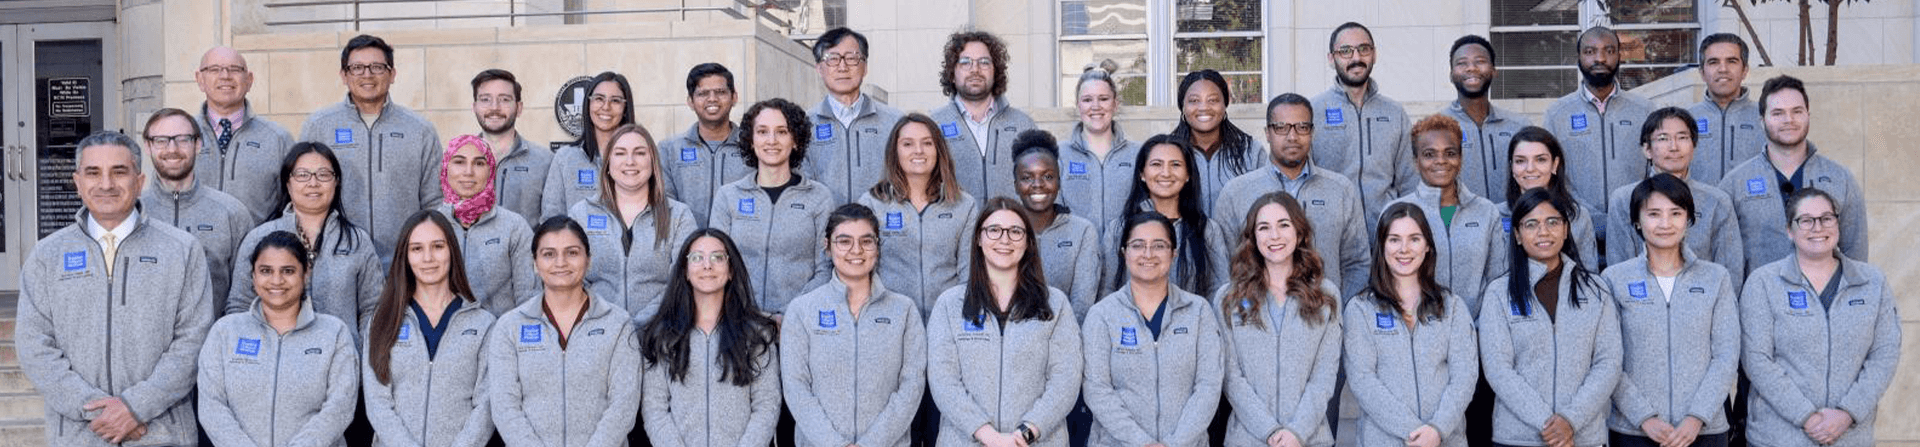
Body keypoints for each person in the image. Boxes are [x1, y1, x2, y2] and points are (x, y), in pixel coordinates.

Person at [17, 131, 214, 446]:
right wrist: (101, 414)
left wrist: (136, 408)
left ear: (139, 181)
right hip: (79, 437)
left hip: (161, 435)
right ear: (78, 182)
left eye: (119, 172)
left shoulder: (182, 250)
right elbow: (34, 346)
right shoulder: (46, 255)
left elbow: (193, 342)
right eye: (93, 173)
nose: (106, 184)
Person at [1738, 188, 1899, 447]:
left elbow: (1885, 354)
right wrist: (1807, 417)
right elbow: (1756, 360)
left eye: (1826, 218)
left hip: (1850, 437)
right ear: (1790, 230)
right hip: (1778, 437)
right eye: (1806, 220)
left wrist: (1847, 414)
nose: (1818, 227)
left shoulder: (1873, 283)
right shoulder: (1763, 283)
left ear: (1838, 223)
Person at [926, 199, 1081, 447]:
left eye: (1015, 231)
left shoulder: (1055, 304)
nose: (1004, 239)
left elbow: (1066, 378)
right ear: (978, 238)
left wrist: (1026, 433)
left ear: (1029, 242)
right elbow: (943, 380)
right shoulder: (949, 305)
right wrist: (989, 436)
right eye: (994, 230)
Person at [1600, 175, 1739, 447]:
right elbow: (1608, 359)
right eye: (1654, 214)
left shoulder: (1716, 278)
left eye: (1675, 213)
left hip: (1705, 431)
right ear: (1637, 221)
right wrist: (1644, 418)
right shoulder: (1614, 280)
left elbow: (1726, 355)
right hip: (1633, 431)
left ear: (1688, 220)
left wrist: (1696, 417)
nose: (1665, 224)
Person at [1478, 189, 1622, 447]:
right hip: (1518, 438)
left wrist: (1570, 420)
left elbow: (1608, 362)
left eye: (1552, 222)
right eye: (1531, 224)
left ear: (1566, 230)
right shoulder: (1499, 294)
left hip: (1583, 437)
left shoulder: (1597, 290)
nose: (1543, 232)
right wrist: (1548, 423)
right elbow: (1498, 369)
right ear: (1518, 236)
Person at [780, 203, 928, 447]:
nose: (856, 250)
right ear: (827, 247)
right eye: (844, 241)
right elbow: (796, 388)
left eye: (867, 241)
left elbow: (911, 387)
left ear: (878, 247)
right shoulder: (802, 310)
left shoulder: (904, 311)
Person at [490, 216, 644, 446]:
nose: (560, 262)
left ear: (588, 260)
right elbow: (505, 408)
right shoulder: (509, 327)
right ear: (534, 263)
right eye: (548, 254)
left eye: (572, 252)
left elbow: (624, 404)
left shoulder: (618, 324)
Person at [198, 231, 360, 447]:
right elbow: (212, 406)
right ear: (253, 276)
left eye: (288, 271)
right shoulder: (225, 332)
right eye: (266, 271)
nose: (276, 280)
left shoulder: (334, 333)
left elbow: (340, 406)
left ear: (306, 274)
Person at [1082, 212, 1225, 447]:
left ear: (1174, 253)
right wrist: (1142, 442)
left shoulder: (1198, 311)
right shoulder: (1102, 315)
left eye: (1159, 245)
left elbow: (1208, 386)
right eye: (1138, 245)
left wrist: (1175, 443)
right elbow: (1097, 389)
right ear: (1124, 252)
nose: (1148, 254)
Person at [1343, 202, 1480, 447]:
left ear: (1427, 246)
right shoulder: (1360, 309)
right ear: (1382, 246)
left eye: (1414, 239)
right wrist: (1414, 432)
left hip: (1445, 439)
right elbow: (1363, 380)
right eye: (1394, 239)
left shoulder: (1452, 306)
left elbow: (1464, 377)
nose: (1404, 249)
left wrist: (1437, 429)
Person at [297, 34, 444, 258]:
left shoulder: (420, 130)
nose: (367, 74)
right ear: (344, 75)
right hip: (335, 259)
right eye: (357, 67)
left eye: (377, 67)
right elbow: (300, 195)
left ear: (392, 74)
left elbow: (435, 201)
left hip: (404, 263)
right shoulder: (318, 127)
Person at [1214, 192, 1343, 447]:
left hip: (1310, 439)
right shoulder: (1229, 297)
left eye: (1284, 225)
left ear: (1300, 232)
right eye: (1264, 227)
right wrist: (1270, 431)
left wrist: (1296, 432)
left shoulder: (1325, 295)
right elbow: (1231, 375)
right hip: (1247, 439)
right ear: (1252, 237)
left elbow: (1324, 375)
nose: (1274, 236)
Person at [1211, 93, 1370, 298]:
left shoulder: (1340, 190)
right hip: (1257, 322)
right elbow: (1223, 268)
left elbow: (1357, 263)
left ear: (1312, 132)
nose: (1292, 136)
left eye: (1301, 127)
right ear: (1267, 133)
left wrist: (1338, 312)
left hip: (1325, 321)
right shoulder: (1236, 192)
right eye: (1281, 127)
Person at [228, 143, 385, 347]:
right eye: (302, 175)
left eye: (323, 175)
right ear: (287, 181)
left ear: (336, 181)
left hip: (341, 364)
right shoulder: (259, 238)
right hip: (272, 365)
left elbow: (374, 308)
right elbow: (239, 305)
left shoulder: (357, 241)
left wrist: (361, 358)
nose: (313, 183)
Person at [363, 212, 496, 447]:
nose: (428, 258)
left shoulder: (483, 324)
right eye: (416, 249)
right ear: (404, 256)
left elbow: (485, 406)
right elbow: (378, 403)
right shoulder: (383, 320)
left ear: (452, 251)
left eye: (437, 246)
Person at [640, 229, 784, 447]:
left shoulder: (756, 333)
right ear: (685, 271)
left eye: (717, 257)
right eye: (697, 258)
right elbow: (654, 408)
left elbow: (767, 405)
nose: (707, 265)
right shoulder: (663, 335)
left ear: (731, 270)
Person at [1717, 75, 1867, 276]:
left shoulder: (1840, 178)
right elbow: (1725, 260)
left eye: (1797, 111)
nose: (1789, 120)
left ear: (1808, 115)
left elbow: (1855, 253)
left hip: (1825, 303)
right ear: (1762, 121)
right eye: (1778, 113)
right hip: (1760, 303)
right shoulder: (1735, 183)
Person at [709, 98, 835, 321]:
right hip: (739, 322)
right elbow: (717, 262)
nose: (772, 140)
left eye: (782, 132)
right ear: (750, 140)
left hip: (800, 321)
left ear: (796, 140)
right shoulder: (728, 196)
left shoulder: (819, 197)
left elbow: (825, 268)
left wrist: (790, 315)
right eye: (762, 131)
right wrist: (748, 314)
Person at [568, 123, 698, 321]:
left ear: (653, 162)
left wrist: (641, 323)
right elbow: (572, 278)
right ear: (608, 164)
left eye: (639, 153)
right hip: (597, 329)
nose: (630, 161)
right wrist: (610, 322)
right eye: (620, 153)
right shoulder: (581, 214)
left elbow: (681, 281)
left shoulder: (679, 216)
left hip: (660, 331)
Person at [1543, 26, 1656, 252]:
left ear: (1619, 55)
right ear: (1579, 57)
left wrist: (1628, 212)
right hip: (1576, 230)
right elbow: (1552, 175)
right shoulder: (1557, 113)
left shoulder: (1645, 110)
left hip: (1634, 230)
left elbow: (1653, 168)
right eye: (1590, 51)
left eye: (1609, 50)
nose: (1600, 58)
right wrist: (1587, 216)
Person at [1603, 108, 1744, 287]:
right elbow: (1618, 266)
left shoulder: (1716, 201)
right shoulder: (1624, 199)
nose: (1674, 147)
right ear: (1647, 149)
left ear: (1694, 146)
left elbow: (1731, 271)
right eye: (1663, 139)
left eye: (1682, 137)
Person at [858, 114, 981, 315]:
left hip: (947, 319)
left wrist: (959, 315)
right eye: (907, 144)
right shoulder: (872, 203)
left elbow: (969, 273)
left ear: (938, 150)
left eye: (927, 143)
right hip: (891, 319)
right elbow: (866, 272)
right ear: (894, 151)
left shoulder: (964, 205)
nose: (918, 151)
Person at [1383, 115, 1508, 308]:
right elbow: (1385, 280)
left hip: (1475, 330)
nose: (1440, 161)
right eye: (1429, 154)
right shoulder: (1396, 212)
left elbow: (1498, 281)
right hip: (1418, 328)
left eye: (1450, 153)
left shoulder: (1486, 212)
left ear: (1460, 158)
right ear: (1416, 161)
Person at [139, 108, 255, 314]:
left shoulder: (231, 213)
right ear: (148, 146)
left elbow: (244, 296)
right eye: (161, 140)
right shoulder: (134, 212)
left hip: (212, 342)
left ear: (198, 144)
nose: (172, 148)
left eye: (183, 139)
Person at [1312, 22, 1418, 230]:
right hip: (1332, 235)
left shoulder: (1395, 113)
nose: (1356, 58)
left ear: (1374, 55)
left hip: (1387, 235)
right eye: (1345, 51)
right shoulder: (1313, 111)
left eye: (1364, 49)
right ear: (1331, 59)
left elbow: (1409, 180)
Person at [433, 134, 537, 315]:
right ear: (445, 168)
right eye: (459, 162)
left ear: (490, 170)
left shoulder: (515, 227)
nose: (468, 172)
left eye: (479, 163)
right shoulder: (429, 226)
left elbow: (528, 299)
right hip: (442, 336)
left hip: (497, 335)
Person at [1104, 135, 1218, 297]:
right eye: (1156, 164)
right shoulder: (1118, 229)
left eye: (1176, 165)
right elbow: (1107, 290)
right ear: (1142, 173)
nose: (1166, 173)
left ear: (1188, 175)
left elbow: (1218, 291)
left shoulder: (1207, 229)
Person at [932, 30, 1037, 202]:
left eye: (984, 62)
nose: (975, 69)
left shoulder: (1023, 125)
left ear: (996, 72)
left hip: (1011, 228)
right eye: (965, 62)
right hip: (957, 229)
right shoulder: (934, 125)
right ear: (952, 73)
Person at [805, 27, 908, 204]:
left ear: (865, 67)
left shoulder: (894, 122)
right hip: (826, 229)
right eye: (833, 59)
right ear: (819, 69)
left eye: (852, 58)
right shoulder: (804, 125)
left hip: (882, 228)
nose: (843, 67)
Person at [1009, 130, 1103, 319]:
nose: (1038, 184)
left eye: (1048, 176)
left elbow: (1082, 304)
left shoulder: (1082, 231)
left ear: (1059, 182)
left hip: (1065, 339)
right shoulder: (1002, 232)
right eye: (1027, 178)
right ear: (1016, 185)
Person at [194, 46, 294, 223]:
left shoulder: (278, 138)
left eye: (235, 69)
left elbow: (292, 206)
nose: (225, 76)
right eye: (215, 69)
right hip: (195, 249)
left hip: (257, 249)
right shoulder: (180, 137)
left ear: (249, 80)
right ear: (200, 79)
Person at [1441, 35, 1533, 204]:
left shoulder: (1519, 126)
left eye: (1480, 61)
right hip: (1460, 226)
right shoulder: (1438, 128)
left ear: (1493, 70)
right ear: (1451, 74)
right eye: (1462, 63)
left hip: (1513, 225)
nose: (1471, 68)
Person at [662, 63, 752, 225]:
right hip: (688, 246)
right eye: (703, 93)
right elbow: (665, 204)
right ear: (690, 101)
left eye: (720, 92)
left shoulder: (752, 146)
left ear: (734, 97)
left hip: (743, 247)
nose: (712, 99)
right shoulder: (669, 150)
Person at [1501, 127, 1599, 269]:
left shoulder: (1577, 215)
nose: (1530, 168)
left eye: (1540, 160)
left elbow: (1589, 275)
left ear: (1555, 164)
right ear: (1512, 167)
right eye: (1520, 161)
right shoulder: (1495, 216)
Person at [1058, 63, 1141, 230]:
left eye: (1103, 99)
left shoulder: (1137, 153)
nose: (1095, 106)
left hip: (1126, 254)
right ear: (1078, 105)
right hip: (1077, 254)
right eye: (1087, 100)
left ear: (1115, 104)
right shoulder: (1059, 154)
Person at [543, 71, 636, 220]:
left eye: (615, 101)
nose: (606, 107)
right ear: (588, 104)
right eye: (599, 99)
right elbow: (551, 216)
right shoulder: (565, 158)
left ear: (625, 108)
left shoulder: (639, 158)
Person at [1172, 69, 1265, 211]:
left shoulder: (1250, 151)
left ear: (1225, 104)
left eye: (1213, 100)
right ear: (1183, 107)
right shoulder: (1167, 152)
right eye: (1194, 101)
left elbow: (1266, 205)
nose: (1204, 107)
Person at [470, 68, 552, 224]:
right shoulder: (456, 160)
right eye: (485, 99)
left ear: (519, 108)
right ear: (474, 107)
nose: (494, 107)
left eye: (505, 99)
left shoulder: (545, 161)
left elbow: (552, 222)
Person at [1686, 34, 1764, 185]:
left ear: (1745, 71)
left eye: (1732, 61)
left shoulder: (1766, 117)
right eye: (1714, 62)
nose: (1723, 69)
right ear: (1702, 72)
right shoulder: (1685, 119)